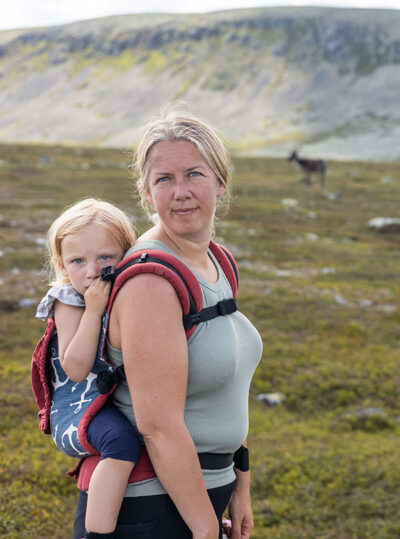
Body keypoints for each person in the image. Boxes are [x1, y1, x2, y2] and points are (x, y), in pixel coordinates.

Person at [72, 108, 263, 539]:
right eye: (164, 179)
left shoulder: (218, 261)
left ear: (220, 180)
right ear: (146, 192)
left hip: (202, 494)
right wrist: (205, 529)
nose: (181, 193)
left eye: (194, 174)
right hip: (151, 508)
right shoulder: (150, 282)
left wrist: (240, 486)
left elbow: (227, 387)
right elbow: (158, 428)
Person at [36, 198, 140, 538]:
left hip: (110, 395)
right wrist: (93, 311)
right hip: (77, 406)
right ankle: (98, 529)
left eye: (105, 257)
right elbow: (76, 368)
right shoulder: (69, 300)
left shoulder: (128, 290)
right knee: (121, 441)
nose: (92, 270)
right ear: (62, 265)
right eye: (78, 261)